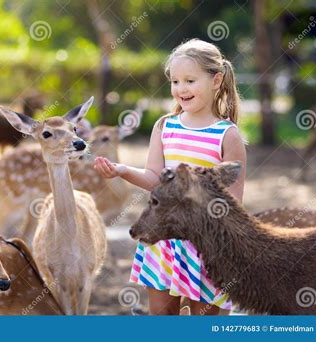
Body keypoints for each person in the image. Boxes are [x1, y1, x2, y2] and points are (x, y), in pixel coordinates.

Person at [93, 38, 247, 315]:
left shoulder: (227, 135)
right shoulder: (165, 126)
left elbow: (233, 201)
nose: (180, 89)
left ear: (216, 80)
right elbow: (155, 179)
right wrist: (123, 170)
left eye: (189, 80)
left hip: (207, 245)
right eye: (175, 82)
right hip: (164, 242)